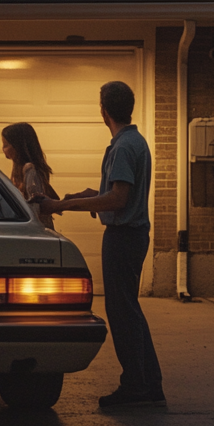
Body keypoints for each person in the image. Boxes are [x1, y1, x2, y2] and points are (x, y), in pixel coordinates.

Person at [33, 80, 164, 409]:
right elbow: (118, 193)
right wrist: (86, 196)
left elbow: (118, 199)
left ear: (103, 110)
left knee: (122, 314)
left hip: (123, 237)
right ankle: (149, 385)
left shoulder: (121, 146)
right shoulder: (136, 142)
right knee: (130, 311)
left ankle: (136, 388)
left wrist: (58, 206)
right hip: (134, 235)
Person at [0, 122, 58, 228]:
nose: (3, 149)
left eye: (6, 145)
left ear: (18, 146)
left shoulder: (30, 169)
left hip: (37, 230)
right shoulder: (18, 169)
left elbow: (35, 204)